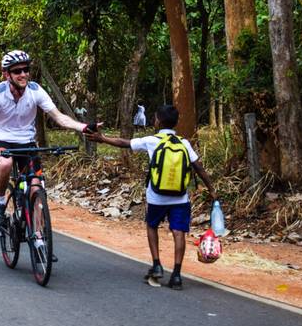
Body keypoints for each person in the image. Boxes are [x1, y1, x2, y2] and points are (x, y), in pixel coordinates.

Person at [85, 105, 219, 290]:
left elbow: (124, 143)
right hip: (180, 197)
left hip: (156, 196)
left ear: (158, 121)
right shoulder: (184, 143)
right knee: (178, 232)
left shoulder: (151, 140)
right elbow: (200, 168)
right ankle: (177, 275)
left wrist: (102, 138)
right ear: (176, 122)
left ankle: (157, 265)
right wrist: (212, 190)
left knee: (152, 226)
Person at [0, 50, 93, 226]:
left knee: (36, 188)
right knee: (5, 163)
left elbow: (59, 117)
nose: (23, 74)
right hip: (2, 139)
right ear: (6, 74)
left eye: (26, 69)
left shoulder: (35, 90)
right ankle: (0, 202)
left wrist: (83, 127)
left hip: (27, 142)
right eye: (17, 71)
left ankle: (39, 239)